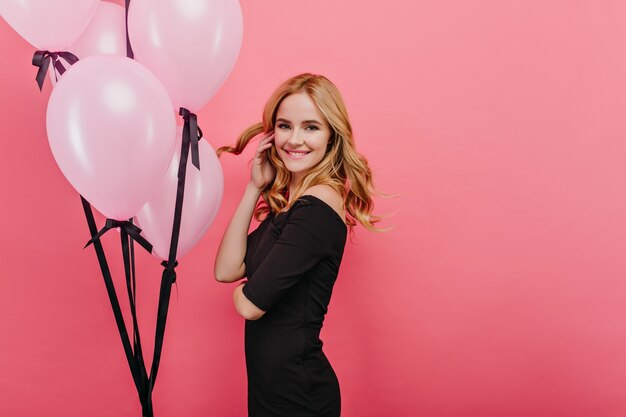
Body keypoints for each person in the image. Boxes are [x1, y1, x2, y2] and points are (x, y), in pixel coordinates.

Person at [214, 73, 382, 417]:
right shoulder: (292, 206)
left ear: (332, 136)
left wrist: (243, 294)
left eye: (310, 127)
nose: (294, 140)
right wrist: (253, 188)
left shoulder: (315, 210)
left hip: (298, 396)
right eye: (284, 125)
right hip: (275, 391)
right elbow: (226, 270)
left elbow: (249, 306)